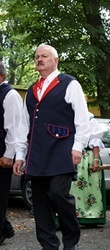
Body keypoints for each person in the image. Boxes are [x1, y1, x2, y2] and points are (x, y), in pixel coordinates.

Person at [13, 44, 91, 250]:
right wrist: (20, 154)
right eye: (37, 56)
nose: (40, 59)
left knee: (58, 194)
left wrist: (78, 146)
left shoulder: (69, 84)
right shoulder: (31, 90)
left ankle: (71, 240)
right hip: (37, 153)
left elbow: (82, 119)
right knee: (39, 204)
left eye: (44, 56)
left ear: (55, 60)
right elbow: (24, 125)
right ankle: (48, 245)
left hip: (61, 149)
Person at [69, 108, 106, 227]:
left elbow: (95, 140)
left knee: (89, 187)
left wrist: (95, 159)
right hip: (68, 156)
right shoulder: (65, 115)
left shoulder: (88, 118)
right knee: (69, 188)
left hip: (85, 157)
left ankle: (90, 216)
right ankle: (67, 217)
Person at [0, 62, 23, 246]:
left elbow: (13, 128)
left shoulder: (10, 95)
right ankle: (5, 228)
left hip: (2, 153)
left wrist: (9, 154)